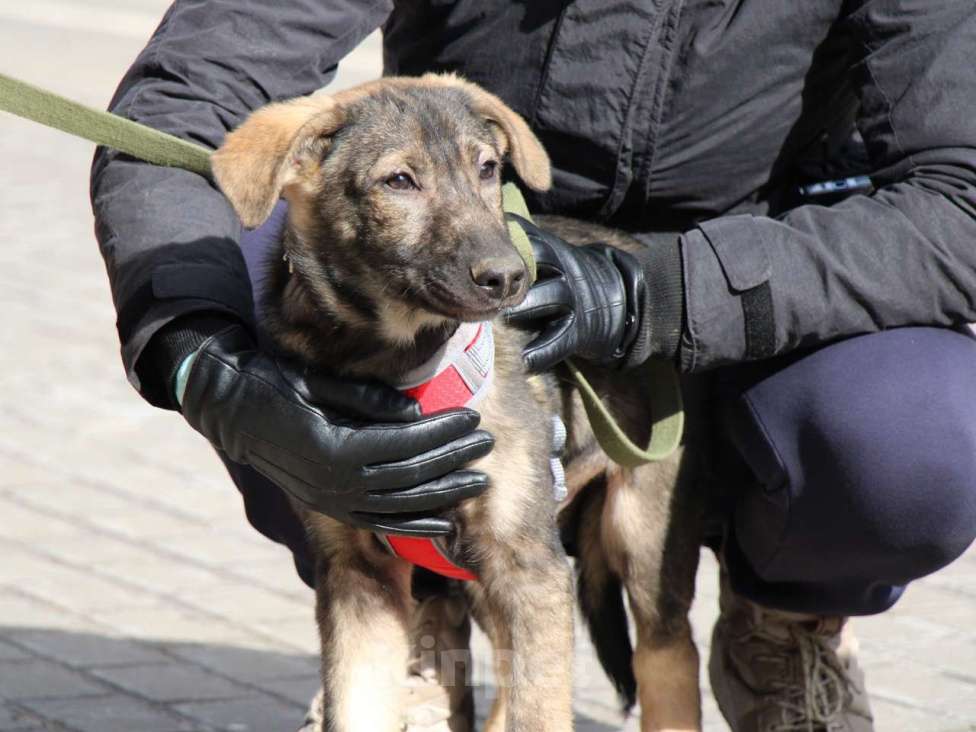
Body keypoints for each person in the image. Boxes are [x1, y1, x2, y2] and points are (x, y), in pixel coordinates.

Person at [90, 2, 976, 731]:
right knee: (233, 273)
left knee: (913, 431)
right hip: (450, 274)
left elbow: (959, 197)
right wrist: (201, 364)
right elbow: (188, 97)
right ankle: (414, 625)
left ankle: (786, 624)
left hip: (753, 281)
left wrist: (667, 289)